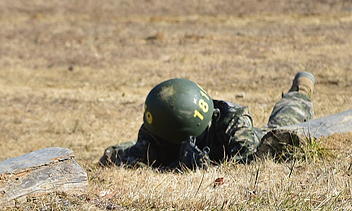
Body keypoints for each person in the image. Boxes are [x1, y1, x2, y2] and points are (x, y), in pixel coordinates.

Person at [99, 72, 315, 170]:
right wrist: (175, 166)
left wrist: (204, 166)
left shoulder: (234, 122)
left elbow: (248, 167)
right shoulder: (161, 128)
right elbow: (124, 157)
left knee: (280, 130)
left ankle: (299, 92)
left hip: (255, 140)